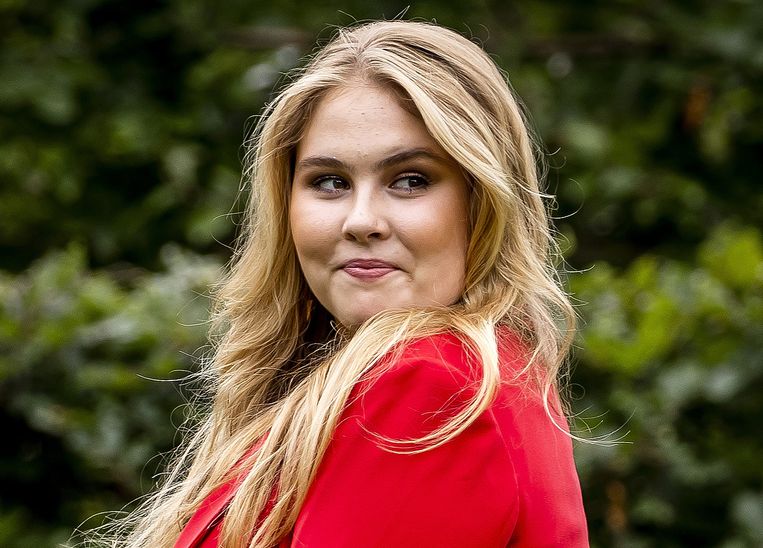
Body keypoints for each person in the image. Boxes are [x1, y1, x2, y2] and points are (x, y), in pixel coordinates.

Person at [102, 19, 588, 547]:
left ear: (483, 201)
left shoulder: (433, 384)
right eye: (329, 182)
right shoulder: (487, 373)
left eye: (410, 180)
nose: (360, 221)